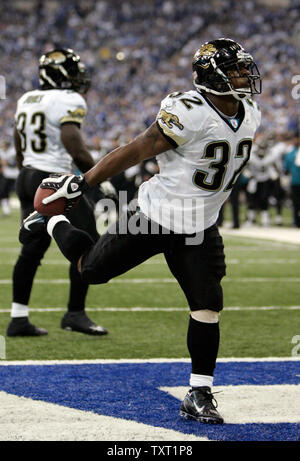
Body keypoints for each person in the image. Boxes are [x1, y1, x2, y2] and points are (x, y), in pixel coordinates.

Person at [20, 39, 261, 423]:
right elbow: (139, 148)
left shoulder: (250, 112)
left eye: (245, 69)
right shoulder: (189, 110)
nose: (245, 76)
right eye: (236, 70)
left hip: (199, 227)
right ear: (212, 74)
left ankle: (198, 394)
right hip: (154, 216)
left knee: (207, 306)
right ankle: (51, 219)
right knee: (90, 270)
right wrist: (85, 181)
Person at [6, 48, 108, 337]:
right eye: (73, 71)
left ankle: (18, 318)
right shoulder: (69, 99)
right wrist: (99, 176)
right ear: (61, 73)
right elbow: (73, 145)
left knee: (32, 250)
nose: (78, 78)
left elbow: (17, 138)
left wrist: (26, 169)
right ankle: (75, 313)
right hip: (53, 179)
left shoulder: (28, 98)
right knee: (89, 244)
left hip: (27, 175)